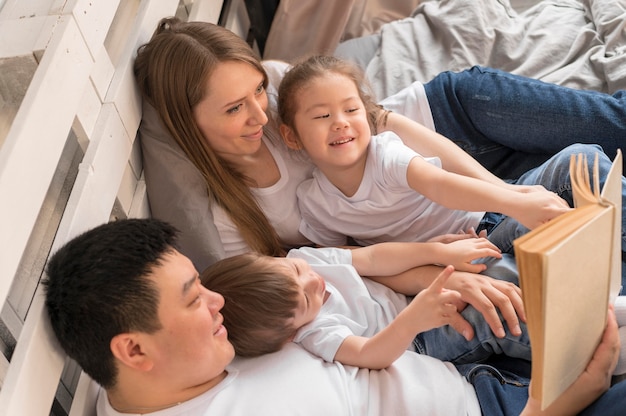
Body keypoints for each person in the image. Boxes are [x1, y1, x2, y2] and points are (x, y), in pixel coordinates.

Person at [134, 17, 625, 343]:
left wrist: (505, 193)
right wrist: (444, 268)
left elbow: (380, 122)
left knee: (610, 129)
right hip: (444, 215)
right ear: (187, 121)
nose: (261, 113)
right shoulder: (231, 219)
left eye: (259, 91)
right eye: (234, 108)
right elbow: (348, 261)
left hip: (446, 123)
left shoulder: (285, 94)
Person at [43, 218, 626, 415]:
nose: (217, 300)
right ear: (134, 350)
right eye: (194, 298)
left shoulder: (195, 357)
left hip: (462, 369)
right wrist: (555, 407)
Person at [276, 55, 626, 282]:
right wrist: (438, 265)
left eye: (351, 110)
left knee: (580, 159)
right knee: (502, 277)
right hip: (464, 258)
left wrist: (516, 201)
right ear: (291, 137)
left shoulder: (384, 154)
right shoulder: (315, 206)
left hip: (491, 218)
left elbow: (440, 184)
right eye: (322, 116)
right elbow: (360, 264)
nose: (340, 123)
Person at [200, 246, 530, 368]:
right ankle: (568, 329)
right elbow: (370, 353)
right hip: (417, 342)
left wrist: (436, 251)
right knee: (490, 316)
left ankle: (561, 277)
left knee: (490, 265)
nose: (313, 282)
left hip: (414, 298)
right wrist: (412, 321)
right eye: (306, 300)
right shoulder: (316, 333)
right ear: (289, 335)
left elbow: (373, 258)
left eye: (296, 273)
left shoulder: (304, 258)